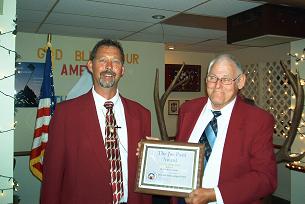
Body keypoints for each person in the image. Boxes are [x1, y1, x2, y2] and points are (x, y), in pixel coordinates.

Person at [40, 39, 152, 204]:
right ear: (90, 66)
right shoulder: (66, 113)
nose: (109, 66)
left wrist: (154, 156)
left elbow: (145, 173)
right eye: (102, 60)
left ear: (122, 70)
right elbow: (52, 176)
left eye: (115, 62)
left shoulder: (142, 114)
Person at [174, 54, 277, 204]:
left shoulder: (258, 121)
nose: (217, 85)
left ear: (240, 82)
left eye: (226, 79)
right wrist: (157, 152)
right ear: (206, 80)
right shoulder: (188, 109)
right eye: (212, 77)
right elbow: (181, 155)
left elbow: (266, 178)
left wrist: (214, 194)